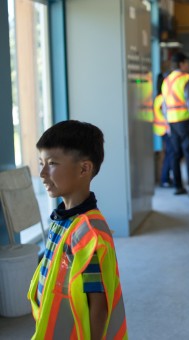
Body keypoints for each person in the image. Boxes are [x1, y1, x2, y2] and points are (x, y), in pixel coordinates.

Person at [28, 120, 128, 339]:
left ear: (84, 168)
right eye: (40, 163)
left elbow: (98, 306)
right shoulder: (63, 219)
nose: (43, 173)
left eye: (52, 163)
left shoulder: (88, 233)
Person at [161, 51, 189, 198]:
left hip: (172, 123)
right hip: (186, 121)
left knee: (174, 154)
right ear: (181, 64)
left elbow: (165, 105)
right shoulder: (186, 78)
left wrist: (167, 124)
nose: (188, 65)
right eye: (187, 62)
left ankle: (178, 187)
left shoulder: (166, 80)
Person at [154, 72, 173, 187]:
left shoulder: (158, 97)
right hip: (165, 130)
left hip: (161, 129)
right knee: (170, 154)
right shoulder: (163, 99)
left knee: (169, 153)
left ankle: (166, 178)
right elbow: (165, 115)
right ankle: (165, 179)